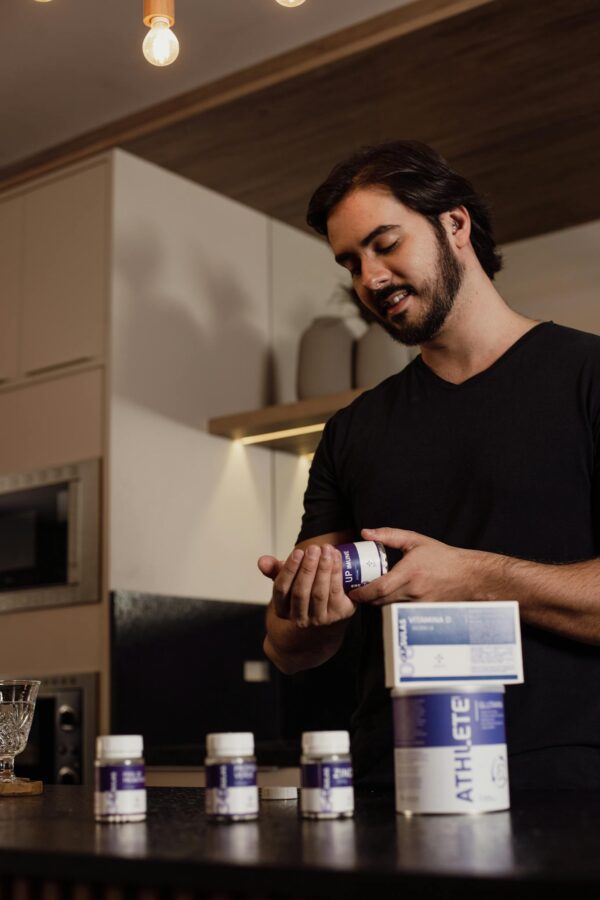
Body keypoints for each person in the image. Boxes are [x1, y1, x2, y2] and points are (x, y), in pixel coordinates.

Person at [258, 141, 600, 789]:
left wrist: (473, 576)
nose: (371, 278)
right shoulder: (353, 431)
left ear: (455, 223)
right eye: (351, 262)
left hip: (570, 787)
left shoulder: (588, 378)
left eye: (385, 244)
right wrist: (306, 606)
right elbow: (286, 647)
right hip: (392, 789)